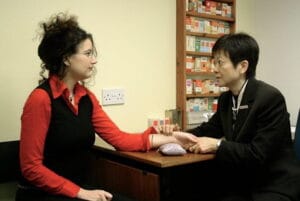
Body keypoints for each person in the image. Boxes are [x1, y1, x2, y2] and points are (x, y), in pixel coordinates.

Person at [17, 12, 197, 201]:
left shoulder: (86, 98)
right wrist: (81, 192)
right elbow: (31, 168)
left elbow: (120, 140)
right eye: (87, 54)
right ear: (66, 58)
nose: (93, 60)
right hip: (43, 194)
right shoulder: (40, 99)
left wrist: (175, 139)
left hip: (76, 191)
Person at [183, 33, 300, 201]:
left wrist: (217, 145)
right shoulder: (226, 98)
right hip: (245, 180)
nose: (214, 69)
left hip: (274, 183)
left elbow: (257, 154)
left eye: (220, 62)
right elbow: (209, 129)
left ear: (243, 66)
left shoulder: (270, 98)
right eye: (213, 62)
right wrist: (178, 136)